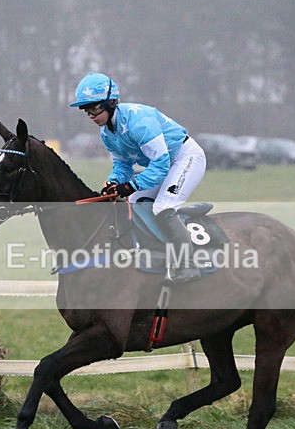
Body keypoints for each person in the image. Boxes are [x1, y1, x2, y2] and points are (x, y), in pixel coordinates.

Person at [70, 72, 207, 283]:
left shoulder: (138, 123)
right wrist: (114, 182)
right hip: (162, 164)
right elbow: (122, 164)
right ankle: (154, 251)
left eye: (95, 107)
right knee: (133, 202)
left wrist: (132, 184)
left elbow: (160, 165)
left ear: (111, 102)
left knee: (163, 206)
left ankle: (187, 265)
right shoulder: (107, 133)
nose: (91, 115)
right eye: (86, 110)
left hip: (185, 158)